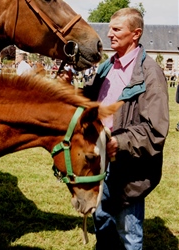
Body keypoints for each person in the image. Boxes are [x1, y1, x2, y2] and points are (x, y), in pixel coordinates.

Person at [82, 8, 169, 250]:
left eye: (116, 29)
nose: (109, 34)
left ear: (136, 34)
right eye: (110, 28)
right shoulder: (107, 67)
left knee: (129, 232)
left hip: (129, 165)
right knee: (102, 219)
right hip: (102, 160)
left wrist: (119, 142)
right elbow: (89, 100)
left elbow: (156, 131)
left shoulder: (150, 73)